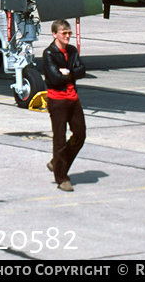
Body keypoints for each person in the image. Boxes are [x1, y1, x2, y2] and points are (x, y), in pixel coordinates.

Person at [42, 19, 86, 192]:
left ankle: (57, 163)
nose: (68, 36)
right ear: (55, 34)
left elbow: (82, 70)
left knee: (80, 135)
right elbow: (55, 78)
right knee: (59, 139)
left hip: (73, 99)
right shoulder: (49, 54)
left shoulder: (72, 51)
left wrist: (68, 72)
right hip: (57, 100)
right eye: (64, 33)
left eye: (69, 33)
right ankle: (62, 178)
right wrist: (71, 73)